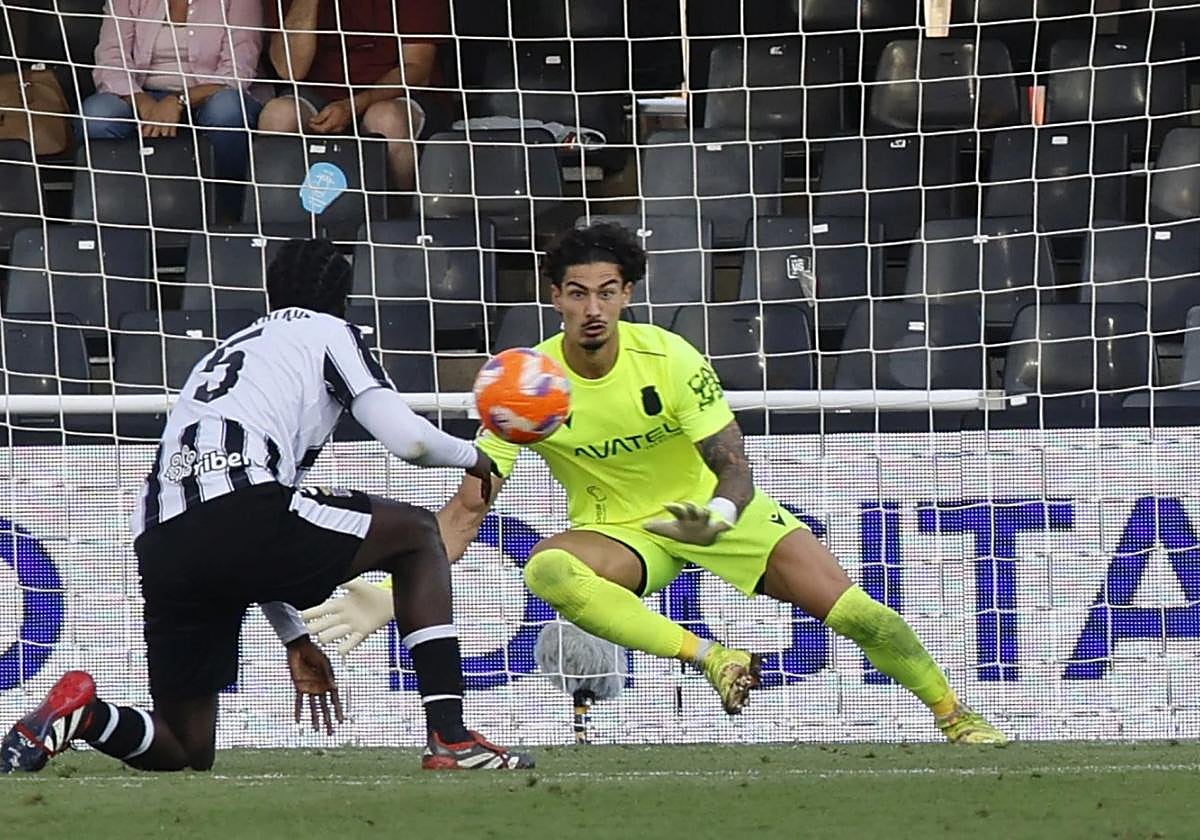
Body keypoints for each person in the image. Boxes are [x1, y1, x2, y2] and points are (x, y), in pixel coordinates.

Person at [302, 222, 1009, 745]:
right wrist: (397, 589)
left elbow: (734, 465)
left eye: (607, 292)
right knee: (549, 567)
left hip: (713, 514)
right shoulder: (526, 384)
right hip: (621, 532)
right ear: (556, 298)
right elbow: (469, 506)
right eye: (577, 293)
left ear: (627, 293)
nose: (593, 309)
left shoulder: (669, 358)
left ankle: (956, 716)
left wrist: (719, 517)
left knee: (862, 617)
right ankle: (712, 658)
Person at [0, 239, 533, 774]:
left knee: (185, 745)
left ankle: (85, 715)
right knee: (418, 533)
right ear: (343, 301)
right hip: (242, 509)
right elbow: (409, 442)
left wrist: (295, 636)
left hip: (163, 541)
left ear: (270, 295)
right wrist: (476, 456)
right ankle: (449, 736)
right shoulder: (328, 332)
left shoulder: (224, 353)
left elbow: (259, 535)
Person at [84, 0, 265, 216]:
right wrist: (144, 103)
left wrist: (177, 101)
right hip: (141, 93)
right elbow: (110, 59)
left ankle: (227, 213)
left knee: (227, 110)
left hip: (210, 94)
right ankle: (113, 213)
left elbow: (238, 69)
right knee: (97, 116)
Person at [259, 0, 449, 190]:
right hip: (319, 94)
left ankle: (396, 216)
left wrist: (354, 105)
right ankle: (278, 216)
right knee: (278, 115)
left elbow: (417, 68)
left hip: (394, 95)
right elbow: (289, 70)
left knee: (386, 119)